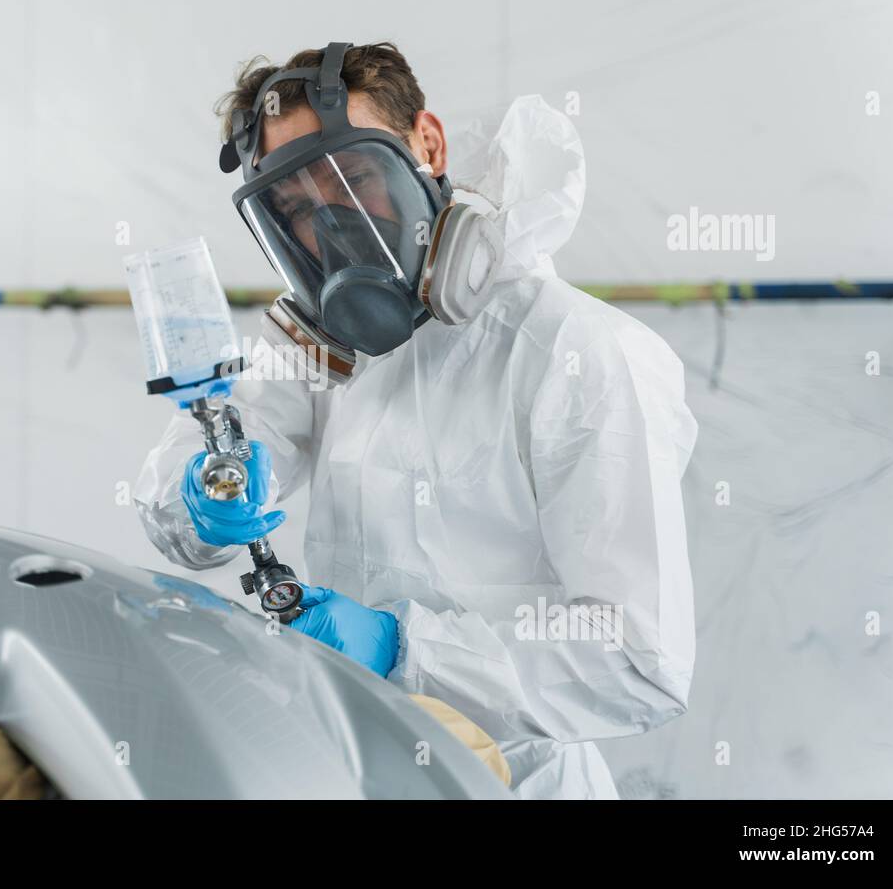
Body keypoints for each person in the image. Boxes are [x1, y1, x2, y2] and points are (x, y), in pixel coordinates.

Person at [135, 42, 697, 799]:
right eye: (296, 208)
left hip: (513, 782)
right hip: (352, 766)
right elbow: (189, 494)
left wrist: (406, 650)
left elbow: (639, 661)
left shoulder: (580, 353)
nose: (331, 228)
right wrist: (202, 488)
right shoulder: (328, 344)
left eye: (352, 178)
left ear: (425, 146)